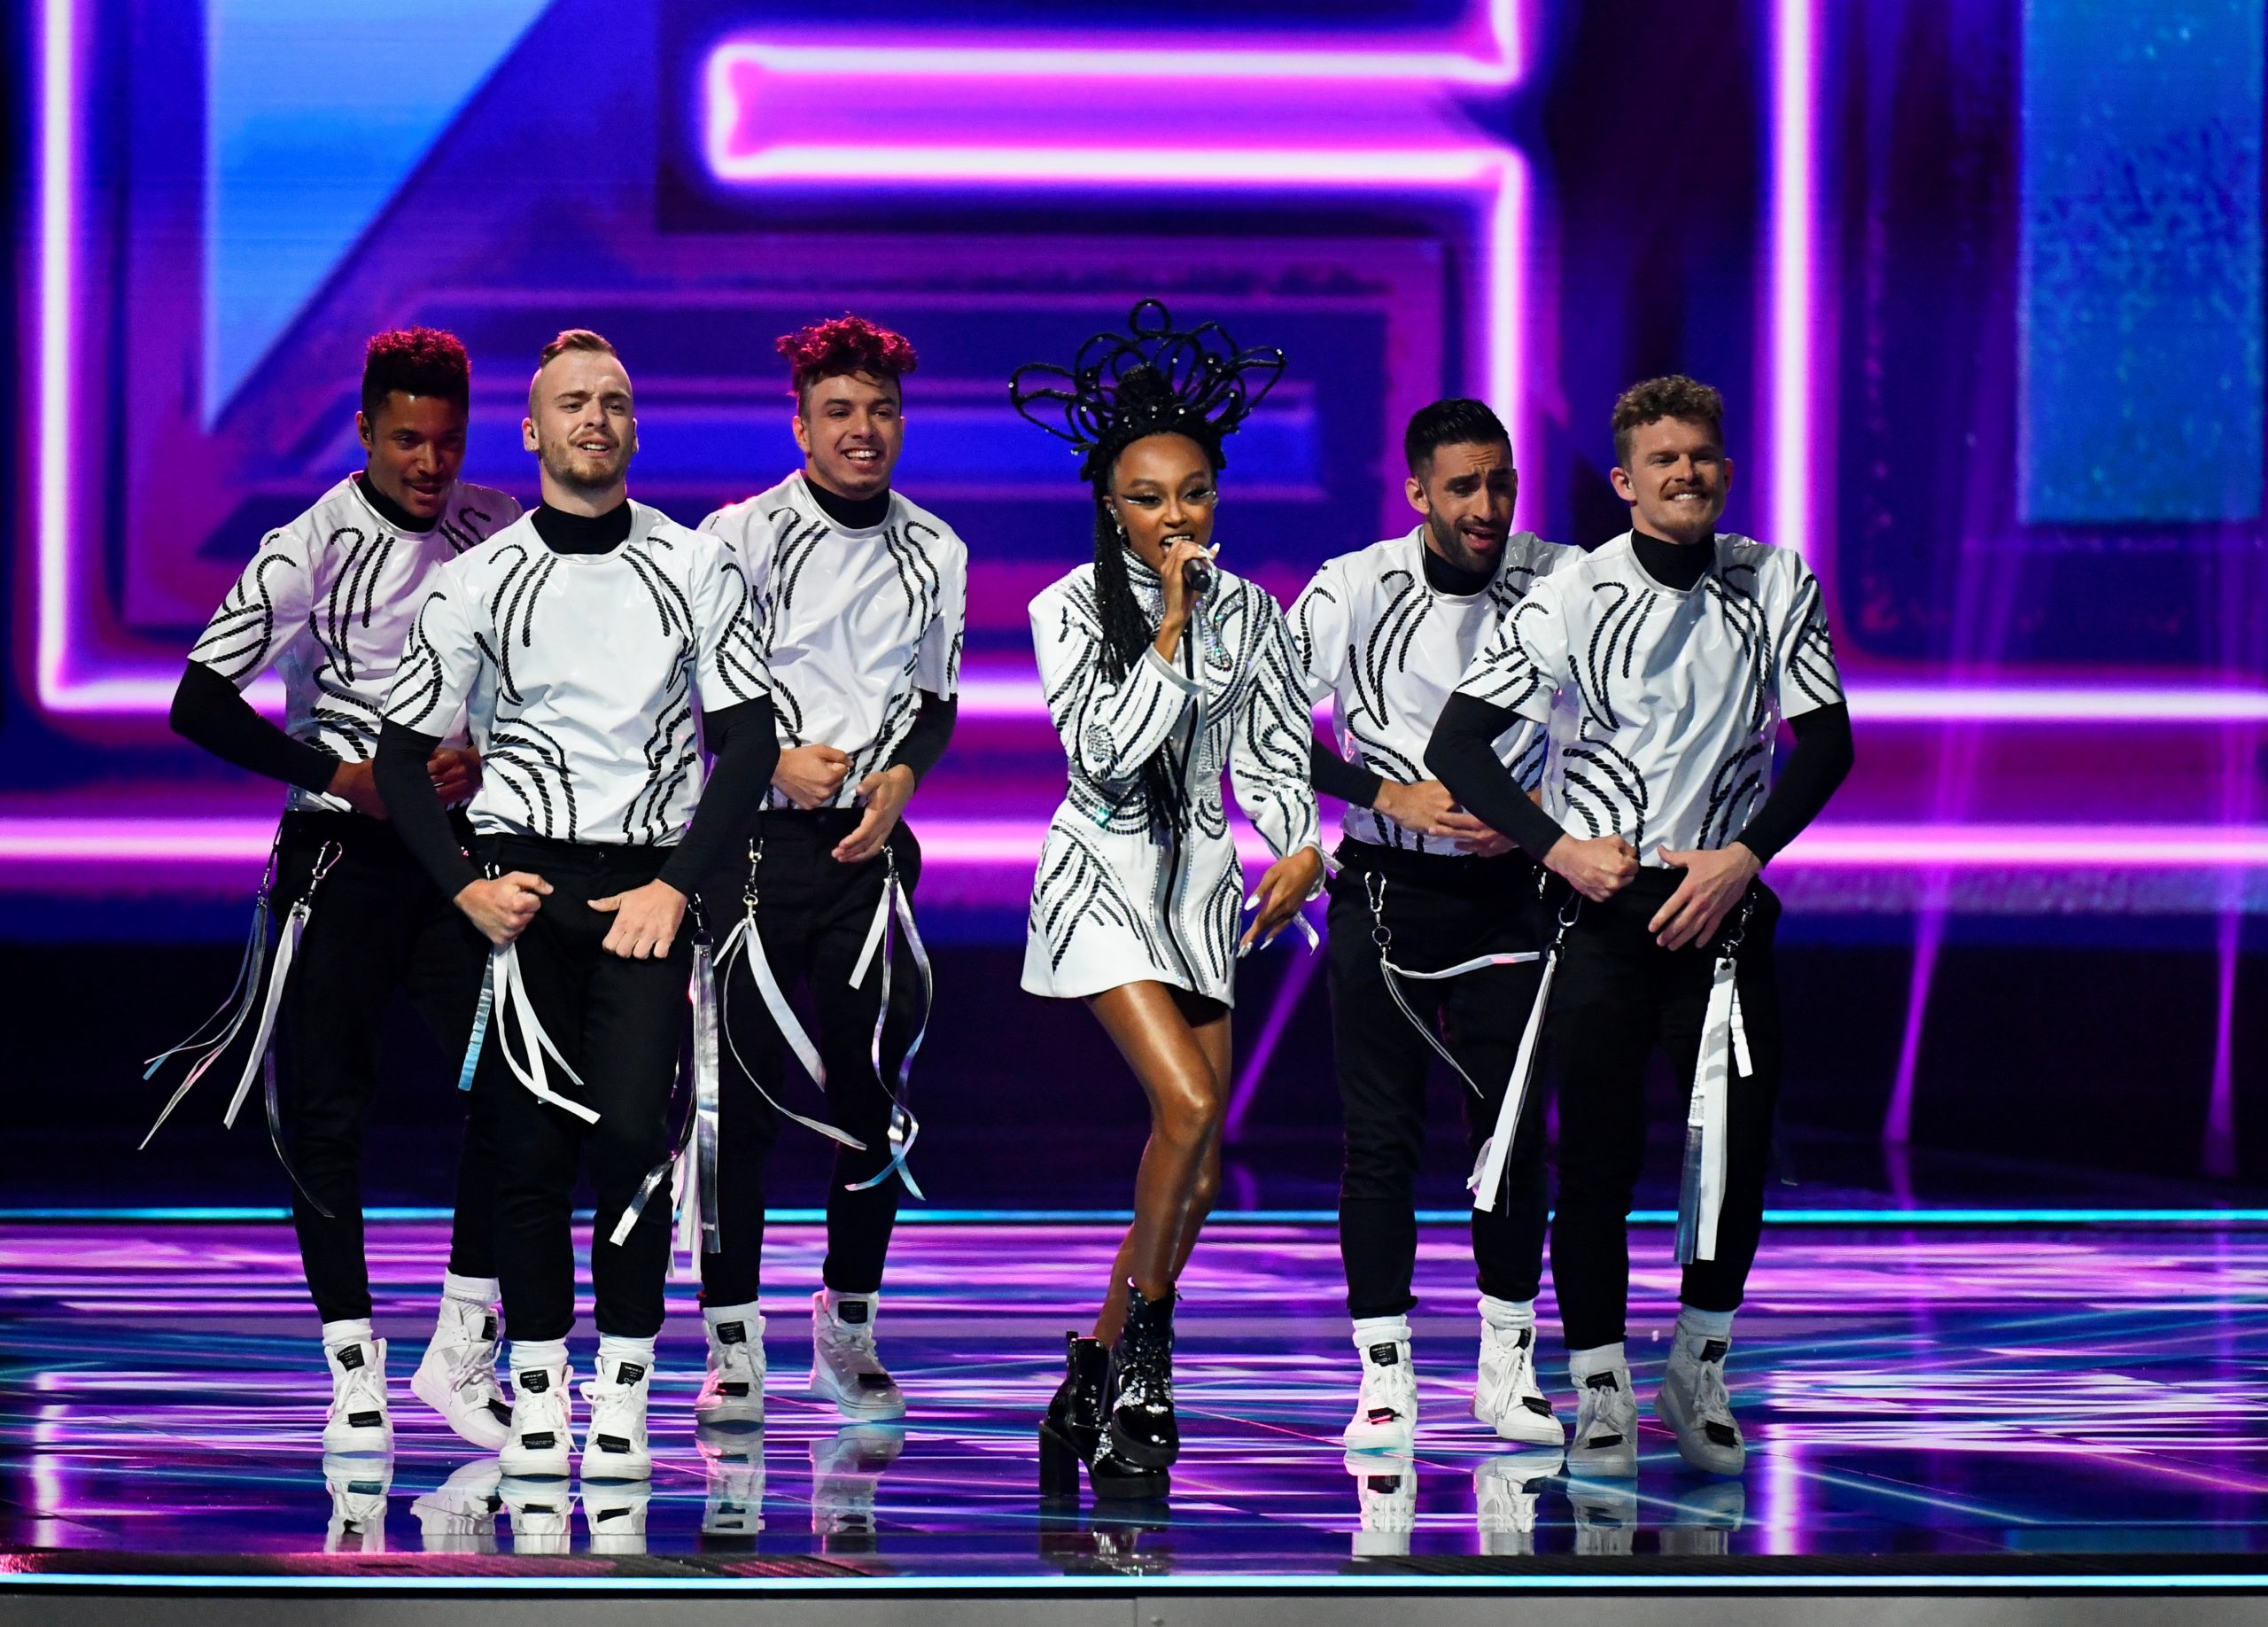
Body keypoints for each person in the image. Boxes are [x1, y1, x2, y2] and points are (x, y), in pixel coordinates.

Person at [1426, 376, 1852, 1476]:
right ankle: (1602, 1384)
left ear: (1726, 470)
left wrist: (1743, 856)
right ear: (1624, 481)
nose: (1686, 473)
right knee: (1597, 1161)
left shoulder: (1773, 580)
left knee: (1733, 1161)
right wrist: (1557, 848)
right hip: (1603, 910)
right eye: (1663, 459)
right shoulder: (1572, 595)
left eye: (1701, 455)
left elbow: (1827, 743)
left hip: (1722, 907)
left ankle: (1699, 1369)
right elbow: (1457, 745)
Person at [374, 329, 779, 1483]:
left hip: (644, 889)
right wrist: (465, 887)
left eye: (612, 402)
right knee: (524, 1146)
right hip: (524, 888)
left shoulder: (695, 565)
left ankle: (626, 1398)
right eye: (571, 403)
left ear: (634, 429)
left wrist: (675, 886)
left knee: (635, 1143)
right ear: (532, 431)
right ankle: (543, 1393)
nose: (593, 418)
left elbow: (749, 742)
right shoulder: (478, 579)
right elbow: (400, 758)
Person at [161, 327, 517, 1456]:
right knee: (325, 1109)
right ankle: (352, 1366)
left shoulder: (500, 527)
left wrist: (489, 757)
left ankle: (459, 1345)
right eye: (407, 439)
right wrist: (338, 775)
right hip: (339, 858)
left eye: (447, 440)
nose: (429, 461)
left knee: (517, 1085)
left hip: (457, 856)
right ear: (364, 430)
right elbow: (198, 701)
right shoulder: (308, 547)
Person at [1010, 300, 1324, 1498]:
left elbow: (1278, 755)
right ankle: (1148, 1357)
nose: (1175, 516)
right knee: (1187, 1104)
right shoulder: (1064, 610)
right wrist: (1175, 629)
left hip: (1200, 898)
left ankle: (1090, 1368)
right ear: (1112, 507)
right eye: (1148, 498)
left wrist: (1299, 847)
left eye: (1192, 492)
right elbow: (1101, 753)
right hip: (1098, 884)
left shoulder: (1257, 614)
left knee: (1198, 1147)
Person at [690, 315, 967, 1428]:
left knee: (871, 1096)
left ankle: (847, 1327)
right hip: (753, 850)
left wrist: (901, 778)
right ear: (800, 426)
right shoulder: (737, 537)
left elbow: (936, 704)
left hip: (869, 854)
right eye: (839, 411)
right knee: (738, 1104)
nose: (863, 430)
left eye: (881, 410)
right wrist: (774, 761)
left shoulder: (936, 549)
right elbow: (709, 693)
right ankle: (731, 1342)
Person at [1288, 398, 1573, 1455]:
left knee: (1513, 1136)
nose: (1486, 505)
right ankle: (1383, 1378)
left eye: (1500, 482)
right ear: (1417, 492)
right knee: (1379, 1140)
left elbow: (1618, 728)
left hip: (1514, 892)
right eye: (1463, 486)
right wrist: (1386, 794)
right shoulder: (1353, 587)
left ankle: (1508, 1368)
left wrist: (1540, 817)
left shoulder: (1565, 582)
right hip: (1384, 892)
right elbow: (1252, 719)